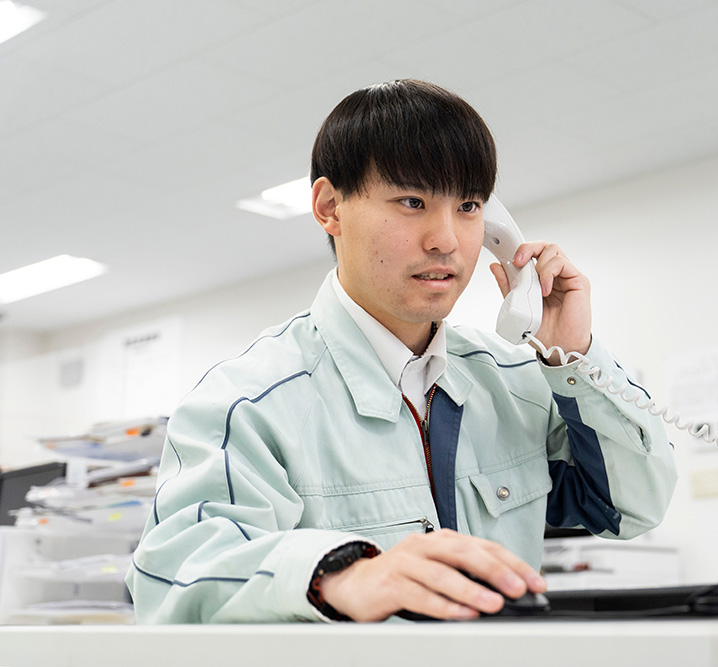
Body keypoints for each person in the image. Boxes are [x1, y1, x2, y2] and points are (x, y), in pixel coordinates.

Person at [125, 79, 677, 623]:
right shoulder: (247, 401)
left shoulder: (516, 383)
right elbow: (176, 578)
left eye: (468, 205)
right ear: (329, 207)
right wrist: (341, 575)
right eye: (412, 201)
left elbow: (632, 506)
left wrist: (571, 358)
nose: (446, 239)